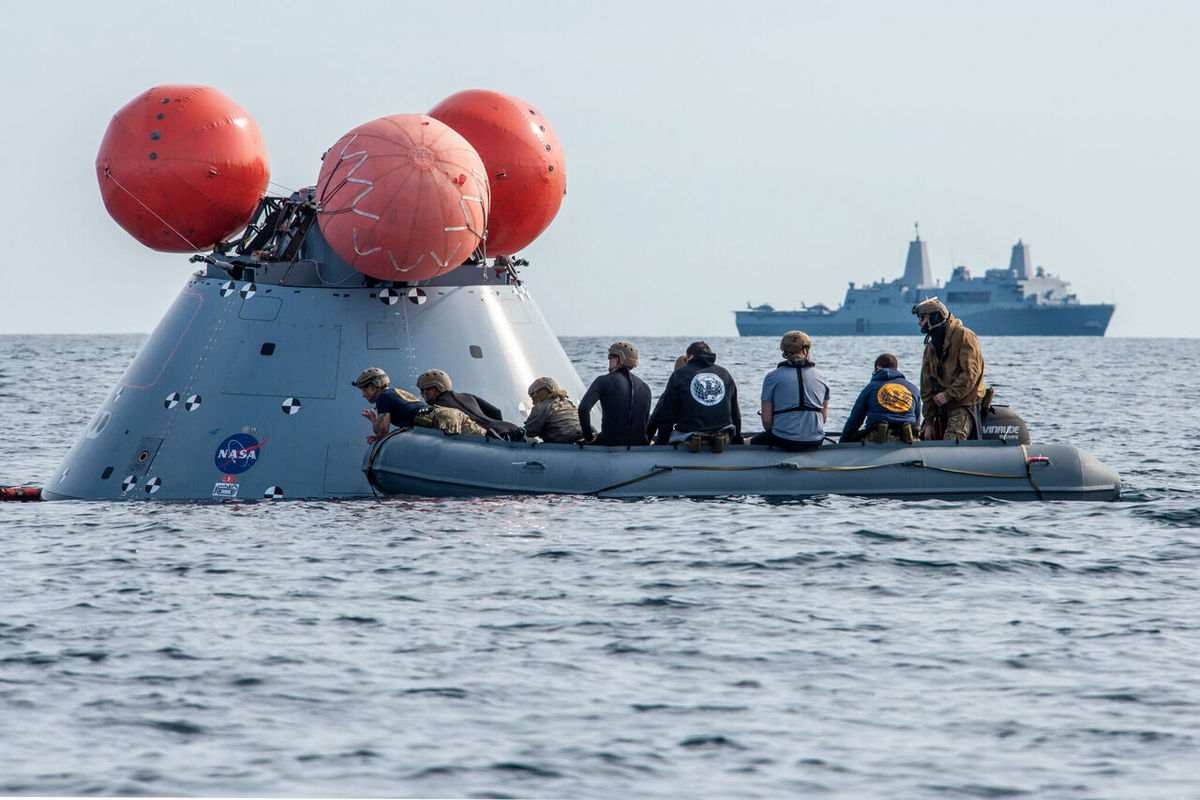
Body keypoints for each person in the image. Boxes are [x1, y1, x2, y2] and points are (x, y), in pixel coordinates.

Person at [912, 297, 986, 440]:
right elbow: (926, 387)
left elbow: (970, 374)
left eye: (923, 318)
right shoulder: (930, 348)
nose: (919, 323)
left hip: (963, 403)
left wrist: (948, 395)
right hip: (940, 407)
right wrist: (928, 422)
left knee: (952, 439)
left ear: (935, 318)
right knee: (920, 438)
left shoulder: (964, 336)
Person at [647, 341, 741, 451]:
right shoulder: (725, 374)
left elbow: (667, 417)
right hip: (722, 438)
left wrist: (661, 444)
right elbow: (736, 415)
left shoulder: (679, 374)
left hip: (690, 438)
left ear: (690, 356)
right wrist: (737, 441)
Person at [353, 367, 485, 443]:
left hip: (440, 420)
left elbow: (382, 430)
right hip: (451, 414)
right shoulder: (397, 392)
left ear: (373, 385)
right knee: (488, 440)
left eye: (364, 390)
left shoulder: (383, 397)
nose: (364, 395)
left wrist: (373, 420)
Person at [750, 331, 830, 451]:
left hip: (782, 439)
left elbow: (767, 421)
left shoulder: (772, 377)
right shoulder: (822, 377)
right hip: (815, 439)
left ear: (784, 352)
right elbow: (823, 418)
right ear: (805, 350)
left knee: (746, 442)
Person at [578, 341, 653, 446]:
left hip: (609, 443)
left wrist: (589, 438)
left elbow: (583, 409)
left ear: (617, 360)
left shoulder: (603, 381)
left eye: (610, 358)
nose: (609, 361)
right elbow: (646, 422)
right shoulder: (645, 388)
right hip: (640, 444)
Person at [417, 368, 524, 440]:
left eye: (422, 390)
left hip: (494, 435)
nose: (421, 394)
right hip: (509, 427)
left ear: (433, 390)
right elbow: (496, 412)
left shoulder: (440, 408)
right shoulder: (468, 396)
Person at [838, 353, 920, 443]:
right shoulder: (913, 389)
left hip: (878, 438)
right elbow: (917, 423)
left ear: (877, 368)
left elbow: (855, 420)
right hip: (908, 438)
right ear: (896, 368)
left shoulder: (871, 388)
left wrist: (843, 443)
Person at [524, 376, 584, 443]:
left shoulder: (541, 407)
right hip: (583, 438)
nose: (533, 402)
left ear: (541, 392)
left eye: (533, 397)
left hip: (564, 443)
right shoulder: (570, 405)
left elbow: (528, 432)